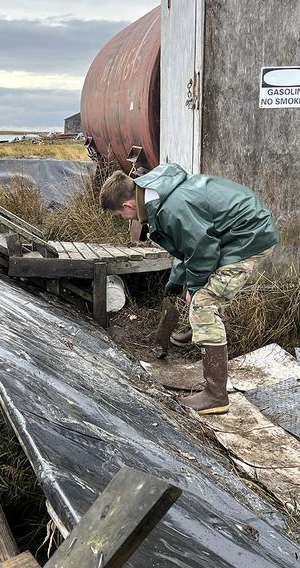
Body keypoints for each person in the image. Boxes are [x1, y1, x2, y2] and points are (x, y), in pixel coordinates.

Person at [100, 163, 278, 415]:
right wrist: (175, 285)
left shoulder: (172, 208)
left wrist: (195, 289)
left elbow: (203, 250)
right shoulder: (157, 193)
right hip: (234, 234)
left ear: (128, 205)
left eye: (120, 215)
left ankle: (216, 395)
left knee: (203, 302)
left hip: (248, 238)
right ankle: (201, 328)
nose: (124, 219)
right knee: (199, 294)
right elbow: (187, 249)